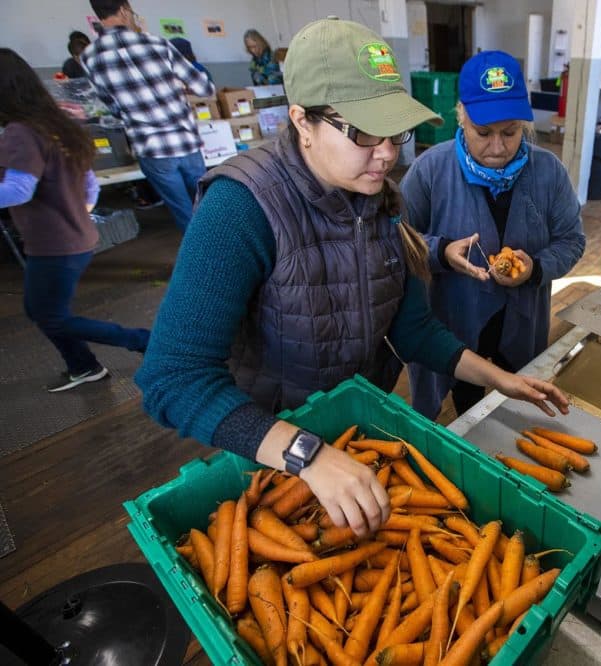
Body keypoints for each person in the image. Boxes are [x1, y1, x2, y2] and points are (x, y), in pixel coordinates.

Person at [135, 19, 569, 538]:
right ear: (302, 121)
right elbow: (172, 379)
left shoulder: (380, 200)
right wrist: (306, 454)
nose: (387, 153)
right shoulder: (241, 207)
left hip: (360, 437)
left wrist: (501, 380)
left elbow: (413, 330)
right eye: (363, 132)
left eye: (395, 131)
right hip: (272, 448)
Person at [400, 50, 585, 419]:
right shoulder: (429, 172)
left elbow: (572, 240)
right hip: (454, 321)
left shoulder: (548, 172)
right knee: (466, 403)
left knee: (517, 406)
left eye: (510, 132)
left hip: (521, 323)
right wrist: (440, 252)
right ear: (461, 118)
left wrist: (535, 268)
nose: (497, 148)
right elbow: (398, 240)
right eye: (483, 133)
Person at [0, 48, 150, 392]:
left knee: (50, 314)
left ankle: (142, 341)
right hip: (73, 238)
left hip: (54, 244)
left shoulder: (20, 133)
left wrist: (66, 215)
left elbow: (20, 190)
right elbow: (90, 182)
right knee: (41, 310)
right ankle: (84, 365)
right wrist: (78, 211)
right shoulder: (55, 123)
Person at [82, 0, 215, 231]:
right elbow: (206, 88)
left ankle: (202, 261)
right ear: (124, 10)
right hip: (185, 141)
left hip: (151, 148)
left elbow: (109, 106)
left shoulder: (90, 57)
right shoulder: (156, 43)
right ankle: (231, 254)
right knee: (206, 205)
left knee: (183, 213)